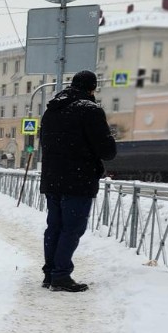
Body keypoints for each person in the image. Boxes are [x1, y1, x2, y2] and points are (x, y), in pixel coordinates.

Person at [38, 69, 117, 292]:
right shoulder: (90, 110)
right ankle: (61, 275)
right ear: (92, 89)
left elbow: (45, 143)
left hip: (52, 178)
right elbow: (106, 150)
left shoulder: (51, 110)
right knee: (71, 229)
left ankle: (50, 273)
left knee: (54, 226)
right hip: (78, 179)